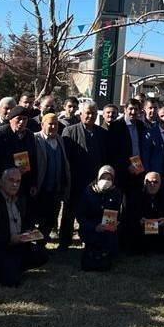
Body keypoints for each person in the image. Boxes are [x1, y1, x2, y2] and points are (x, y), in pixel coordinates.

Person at [0, 168, 48, 287]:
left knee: (42, 255)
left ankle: (13, 266)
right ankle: (7, 268)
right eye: (11, 180)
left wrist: (29, 233)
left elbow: (23, 223)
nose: (15, 184)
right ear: (1, 182)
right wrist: (10, 238)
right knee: (12, 281)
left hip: (18, 246)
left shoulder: (19, 200)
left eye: (18, 181)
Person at [59, 101, 107, 248]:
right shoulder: (69, 131)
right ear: (81, 114)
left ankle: (89, 238)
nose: (91, 116)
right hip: (75, 179)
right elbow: (65, 158)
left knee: (92, 212)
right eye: (88, 113)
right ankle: (64, 241)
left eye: (93, 113)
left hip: (94, 181)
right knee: (69, 212)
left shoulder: (102, 133)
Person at [76, 166, 124, 270]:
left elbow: (117, 212)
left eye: (109, 179)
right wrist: (94, 227)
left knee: (111, 246)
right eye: (103, 177)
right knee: (93, 245)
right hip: (91, 226)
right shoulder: (88, 192)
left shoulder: (116, 192)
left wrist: (115, 223)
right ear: (98, 177)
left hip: (108, 226)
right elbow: (80, 216)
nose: (106, 181)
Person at [32, 113, 70, 241]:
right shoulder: (35, 139)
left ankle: (44, 242)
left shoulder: (60, 139)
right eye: (50, 124)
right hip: (41, 187)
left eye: (56, 124)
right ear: (42, 124)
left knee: (51, 217)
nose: (53, 127)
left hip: (56, 188)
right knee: (38, 217)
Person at [128, 172, 164, 254]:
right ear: (144, 182)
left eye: (155, 182)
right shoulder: (136, 196)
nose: (152, 184)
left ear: (160, 183)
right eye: (149, 182)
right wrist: (139, 219)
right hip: (142, 228)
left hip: (160, 228)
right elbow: (131, 212)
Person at [0, 105, 38, 199]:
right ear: (10, 119)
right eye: (18, 119)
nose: (22, 122)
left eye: (25, 119)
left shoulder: (29, 135)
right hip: (4, 182)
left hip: (23, 183)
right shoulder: (1, 133)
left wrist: (33, 183)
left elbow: (33, 159)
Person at [110, 98, 149, 195]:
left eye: (136, 109)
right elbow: (114, 151)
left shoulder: (141, 126)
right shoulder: (116, 126)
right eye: (131, 109)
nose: (133, 112)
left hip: (138, 169)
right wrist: (127, 165)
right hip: (122, 171)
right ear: (125, 109)